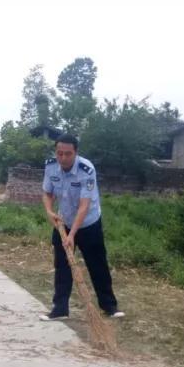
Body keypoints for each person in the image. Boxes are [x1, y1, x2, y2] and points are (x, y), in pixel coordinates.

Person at [40, 134, 124, 321]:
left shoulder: (86, 169)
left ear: (76, 153)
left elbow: (84, 206)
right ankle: (60, 309)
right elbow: (47, 193)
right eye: (59, 153)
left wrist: (72, 234)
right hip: (63, 222)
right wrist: (49, 211)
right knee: (62, 265)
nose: (63, 158)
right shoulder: (51, 166)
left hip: (88, 223)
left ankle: (109, 306)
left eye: (68, 154)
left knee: (97, 265)